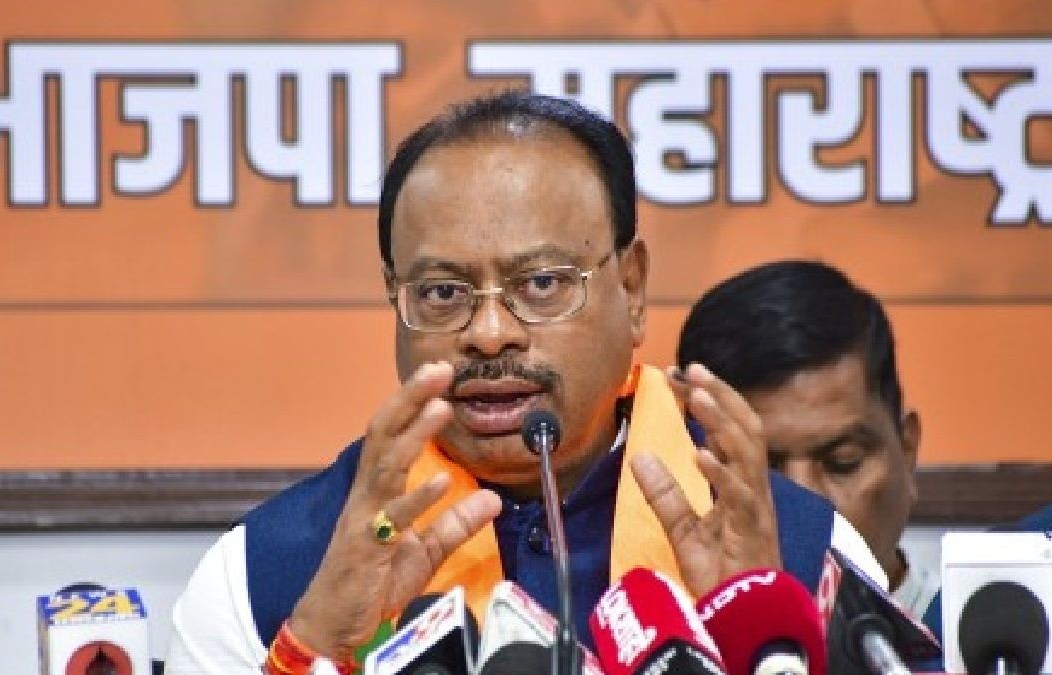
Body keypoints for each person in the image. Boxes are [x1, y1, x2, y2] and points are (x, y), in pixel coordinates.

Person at [165, 92, 886, 675]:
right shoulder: (265, 572)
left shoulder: (804, 553)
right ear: (395, 298)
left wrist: (759, 645)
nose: (489, 333)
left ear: (632, 288)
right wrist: (311, 651)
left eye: (541, 284)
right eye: (442, 292)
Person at [676, 260, 937, 623]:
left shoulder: (969, 637)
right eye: (762, 471)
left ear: (907, 449)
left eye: (843, 461)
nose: (805, 503)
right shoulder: (661, 645)